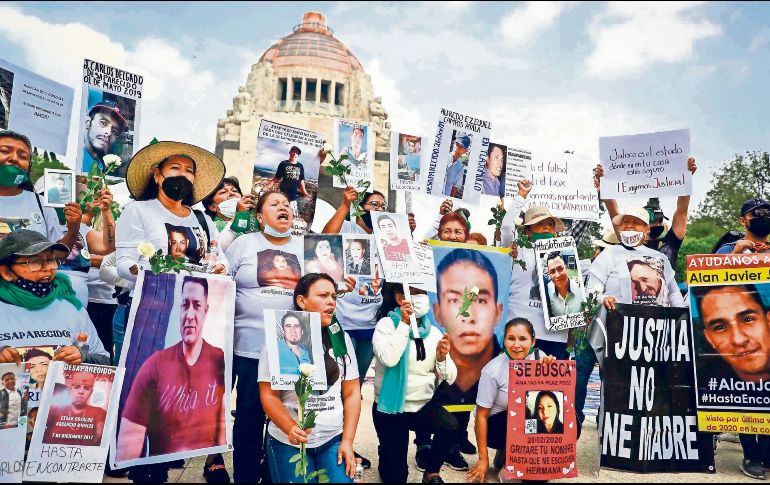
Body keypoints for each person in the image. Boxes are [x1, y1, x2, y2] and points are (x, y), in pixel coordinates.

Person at [224, 190, 305, 483]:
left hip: (291, 349)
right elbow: (220, 278)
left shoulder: (305, 247)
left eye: (286, 204)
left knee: (286, 417)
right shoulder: (244, 244)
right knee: (249, 416)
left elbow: (317, 288)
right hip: (249, 349)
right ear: (259, 216)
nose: (283, 207)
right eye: (274, 204)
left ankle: (275, 474)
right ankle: (245, 477)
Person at [259, 273, 361, 483]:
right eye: (323, 295)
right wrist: (290, 427)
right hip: (288, 442)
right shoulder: (277, 342)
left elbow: (352, 393)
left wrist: (347, 441)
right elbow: (269, 396)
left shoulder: (342, 339)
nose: (331, 301)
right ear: (301, 300)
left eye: (333, 296)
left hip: (332, 439)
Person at [116, 276, 226, 460]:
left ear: (206, 310)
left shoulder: (219, 360)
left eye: (197, 305)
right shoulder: (155, 364)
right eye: (185, 305)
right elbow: (128, 445)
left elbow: (222, 430)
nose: (189, 315)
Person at [372, 283, 457, 484]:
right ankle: (386, 451)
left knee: (450, 427)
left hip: (423, 406)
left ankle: (431, 472)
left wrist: (442, 358)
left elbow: (451, 377)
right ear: (400, 298)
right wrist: (404, 323)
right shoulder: (386, 326)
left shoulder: (433, 332)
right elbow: (389, 359)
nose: (422, 297)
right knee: (396, 477)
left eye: (423, 293)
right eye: (416, 293)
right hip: (392, 409)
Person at [116, 140, 227, 294]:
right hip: (151, 301)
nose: (182, 174)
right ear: (157, 175)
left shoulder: (203, 220)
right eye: (175, 168)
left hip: (194, 302)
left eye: (189, 170)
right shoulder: (137, 211)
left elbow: (220, 258)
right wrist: (154, 273)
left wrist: (221, 267)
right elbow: (124, 264)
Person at [428, 248, 504, 471]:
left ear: (497, 312)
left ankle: (459, 437)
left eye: (481, 300)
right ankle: (432, 445)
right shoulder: (432, 344)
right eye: (454, 300)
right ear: (437, 311)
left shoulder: (499, 356)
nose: (469, 314)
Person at [692, 283, 770, 479]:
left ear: (768, 319)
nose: (738, 339)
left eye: (748, 319)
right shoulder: (712, 376)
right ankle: (753, 456)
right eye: (720, 327)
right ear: (709, 338)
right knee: (742, 403)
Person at [0, 230, 110, 367]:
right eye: (35, 262)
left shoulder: (72, 309)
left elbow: (104, 361)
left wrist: (83, 357)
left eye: (51, 260)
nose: (47, 268)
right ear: (7, 273)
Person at [467, 318, 555, 482]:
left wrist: (553, 370)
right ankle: (509, 457)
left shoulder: (540, 359)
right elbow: (481, 416)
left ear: (533, 341)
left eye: (523, 339)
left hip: (528, 427)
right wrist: (483, 459)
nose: (516, 345)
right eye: (511, 338)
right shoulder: (492, 370)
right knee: (521, 414)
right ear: (504, 341)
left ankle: (512, 457)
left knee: (567, 421)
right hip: (497, 429)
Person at [593, 157, 697, 267]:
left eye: (660, 220)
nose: (657, 224)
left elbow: (682, 211)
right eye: (652, 220)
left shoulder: (670, 243)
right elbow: (613, 211)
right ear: (643, 225)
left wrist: (686, 177)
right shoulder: (629, 242)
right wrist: (605, 187)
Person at [0, 130, 82, 251]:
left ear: (29, 167)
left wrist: (73, 229)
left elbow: (56, 254)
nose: (14, 158)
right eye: (5, 151)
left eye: (23, 156)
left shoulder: (42, 204)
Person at [43, 371, 106, 446]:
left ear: (91, 392)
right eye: (77, 387)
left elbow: (100, 438)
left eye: (87, 388)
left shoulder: (98, 412)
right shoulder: (55, 409)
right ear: (70, 389)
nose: (81, 392)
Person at [81, 101, 129, 176]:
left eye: (114, 131)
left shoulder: (101, 165)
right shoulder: (75, 160)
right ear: (87, 123)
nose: (109, 133)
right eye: (103, 123)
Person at [265, 145, 312, 218]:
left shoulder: (300, 166)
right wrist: (266, 187)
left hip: (293, 197)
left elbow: (301, 182)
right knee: (279, 215)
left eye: (296, 153)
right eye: (293, 152)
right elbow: (276, 178)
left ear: (298, 155)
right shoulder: (283, 164)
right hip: (282, 195)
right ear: (290, 152)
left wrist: (306, 194)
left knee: (293, 216)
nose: (294, 154)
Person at [544, 252, 584, 317]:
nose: (557, 275)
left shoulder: (581, 288)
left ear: (566, 268)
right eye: (552, 271)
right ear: (549, 274)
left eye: (560, 269)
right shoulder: (547, 290)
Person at [443, 132, 471, 198]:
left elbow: (454, 189)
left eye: (461, 146)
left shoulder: (460, 168)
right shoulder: (443, 157)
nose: (457, 147)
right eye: (457, 144)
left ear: (465, 151)